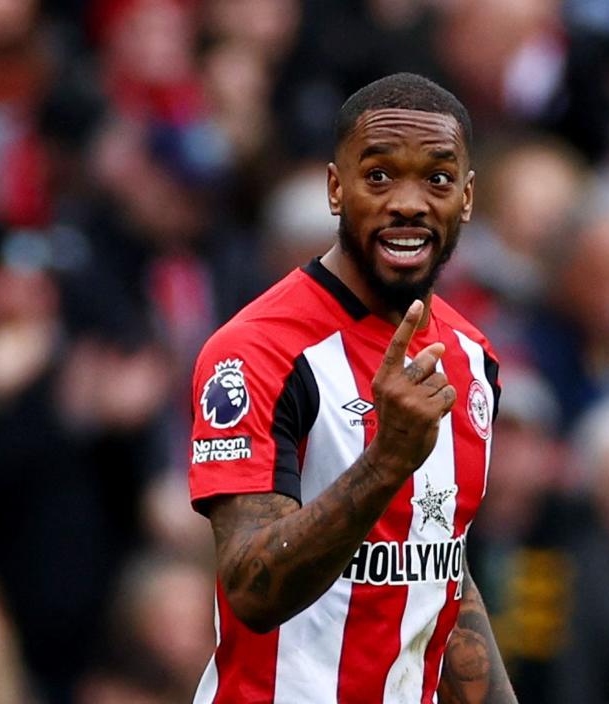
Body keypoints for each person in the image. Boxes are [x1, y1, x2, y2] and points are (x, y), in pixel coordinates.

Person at [187, 73, 517, 703]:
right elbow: (252, 590)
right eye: (379, 176)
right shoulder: (255, 352)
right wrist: (387, 460)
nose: (409, 203)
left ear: (468, 198)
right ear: (336, 189)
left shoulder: (475, 360)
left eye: (438, 179)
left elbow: (443, 572)